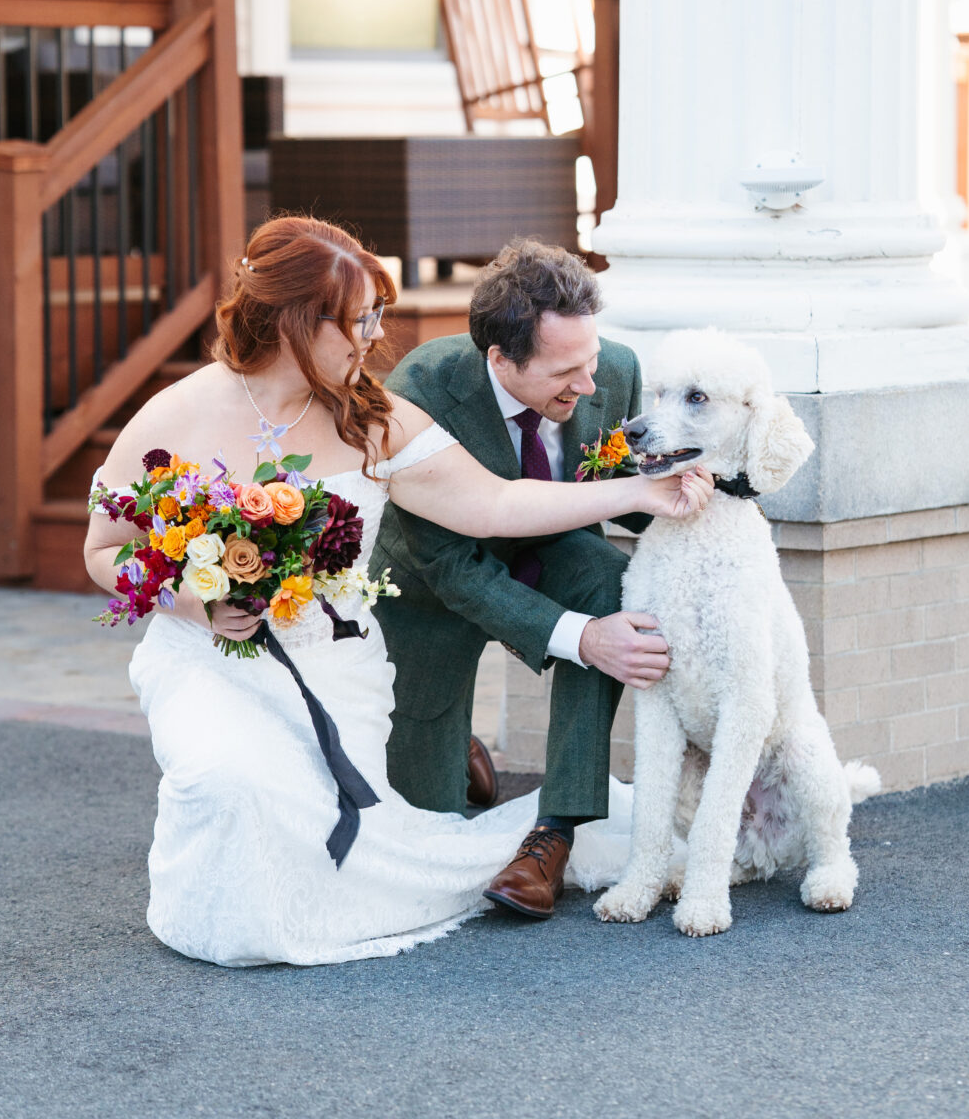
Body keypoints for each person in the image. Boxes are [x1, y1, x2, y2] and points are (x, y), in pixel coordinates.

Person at [83, 216, 711, 967]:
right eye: (359, 320)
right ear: (294, 322)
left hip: (332, 664)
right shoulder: (178, 412)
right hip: (208, 662)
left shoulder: (371, 416)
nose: (374, 337)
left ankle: (500, 794)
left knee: (352, 827)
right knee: (230, 786)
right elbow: (104, 550)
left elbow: (496, 505)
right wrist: (198, 599)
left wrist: (639, 492)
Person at [373, 239, 704, 920]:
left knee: (611, 587)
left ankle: (553, 831)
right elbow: (455, 571)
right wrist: (582, 641)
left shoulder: (611, 367)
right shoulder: (420, 391)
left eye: (589, 360)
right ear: (499, 359)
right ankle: (449, 742)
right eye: (563, 371)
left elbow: (622, 497)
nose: (587, 384)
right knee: (423, 823)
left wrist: (693, 485)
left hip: (553, 548)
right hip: (432, 581)